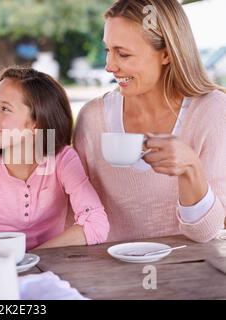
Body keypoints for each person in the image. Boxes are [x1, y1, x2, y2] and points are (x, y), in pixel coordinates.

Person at [73, 0, 226, 243]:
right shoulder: (93, 119)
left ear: (166, 54)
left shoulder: (212, 113)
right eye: (108, 50)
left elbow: (205, 233)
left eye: (123, 54)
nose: (109, 66)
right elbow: (74, 215)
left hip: (192, 272)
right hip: (107, 273)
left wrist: (190, 170)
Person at [0, 66, 109, 266]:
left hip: (53, 273)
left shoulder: (62, 160)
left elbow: (96, 224)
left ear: (36, 123)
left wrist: (28, 258)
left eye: (4, 108)